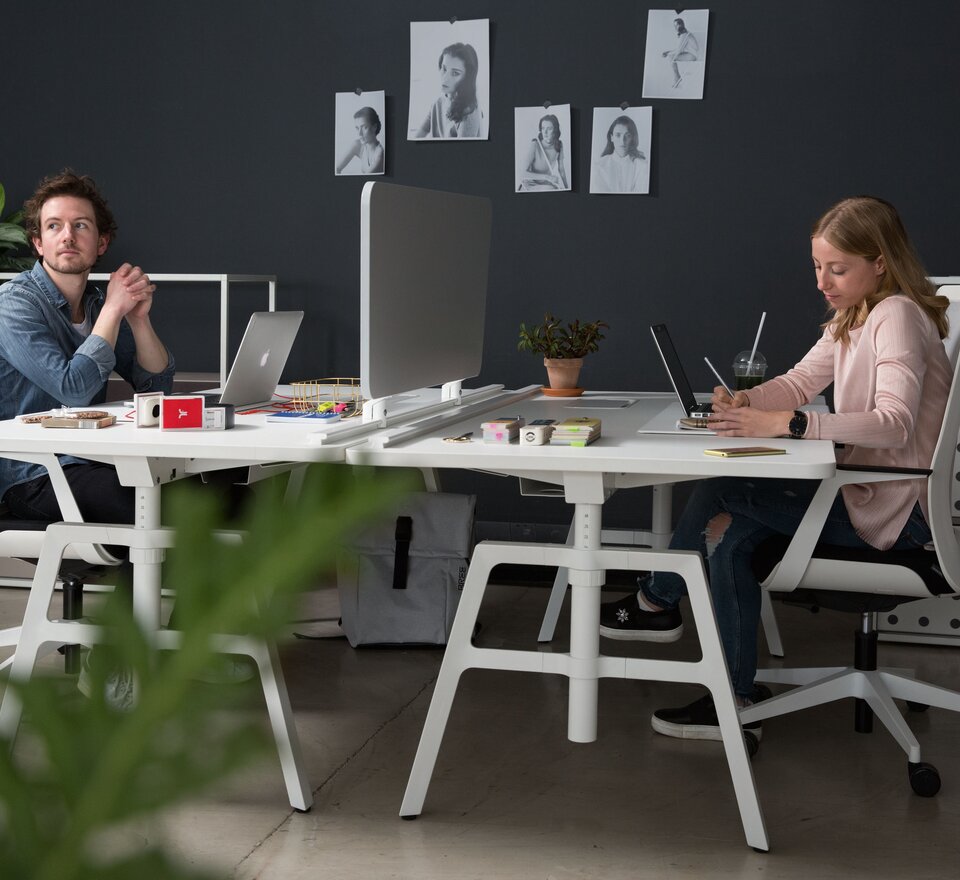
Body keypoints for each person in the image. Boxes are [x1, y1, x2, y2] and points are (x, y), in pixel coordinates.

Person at [600, 196, 952, 742]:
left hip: (900, 512)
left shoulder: (896, 316)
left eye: (837, 269)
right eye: (817, 267)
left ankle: (656, 601)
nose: (822, 282)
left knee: (720, 488)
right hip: (870, 495)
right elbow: (795, 384)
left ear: (879, 262)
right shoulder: (855, 316)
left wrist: (788, 426)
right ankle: (733, 698)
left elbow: (894, 424)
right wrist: (746, 402)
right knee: (732, 538)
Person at [0, 170, 174, 526]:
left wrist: (139, 319)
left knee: (222, 493)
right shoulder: (13, 305)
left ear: (101, 243)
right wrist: (114, 309)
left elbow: (156, 387)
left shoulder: (96, 306)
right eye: (53, 226)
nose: (67, 236)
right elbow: (73, 389)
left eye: (80, 226)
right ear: (38, 243)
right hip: (31, 476)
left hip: (92, 461)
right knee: (150, 506)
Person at [414, 42, 486, 139]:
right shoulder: (437, 104)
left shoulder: (469, 113)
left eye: (455, 73)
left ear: (467, 78)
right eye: (444, 69)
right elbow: (421, 132)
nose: (445, 78)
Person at [592, 115, 647, 194]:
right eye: (618, 135)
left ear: (632, 138)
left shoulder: (642, 166)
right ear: (612, 137)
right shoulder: (599, 166)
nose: (622, 141)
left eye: (627, 136)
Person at [518, 113, 570, 191]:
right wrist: (547, 177)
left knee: (556, 189)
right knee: (550, 189)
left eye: (549, 129)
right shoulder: (535, 144)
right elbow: (522, 173)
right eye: (543, 128)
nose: (545, 132)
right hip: (530, 184)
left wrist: (567, 188)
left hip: (546, 183)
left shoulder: (559, 145)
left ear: (555, 130)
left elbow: (561, 170)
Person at [336, 106, 384, 175]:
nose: (359, 133)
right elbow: (337, 168)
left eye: (364, 127)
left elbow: (367, 178)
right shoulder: (358, 145)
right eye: (357, 128)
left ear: (374, 127)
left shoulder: (380, 152)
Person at [662, 17, 699, 89]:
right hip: (690, 54)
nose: (675, 28)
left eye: (676, 25)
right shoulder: (684, 34)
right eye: (674, 26)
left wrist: (667, 53)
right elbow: (679, 49)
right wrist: (668, 52)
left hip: (693, 55)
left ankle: (677, 77)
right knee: (671, 56)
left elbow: (679, 50)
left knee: (671, 57)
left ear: (681, 25)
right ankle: (677, 77)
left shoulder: (685, 35)